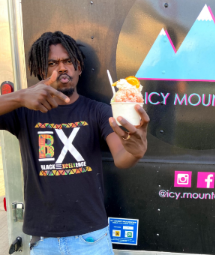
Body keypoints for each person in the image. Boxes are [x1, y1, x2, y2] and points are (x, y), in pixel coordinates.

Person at [0, 31, 149, 255]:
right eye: (52, 63)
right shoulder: (24, 111)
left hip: (91, 238)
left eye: (68, 61)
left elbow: (121, 157)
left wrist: (135, 152)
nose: (62, 68)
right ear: (42, 71)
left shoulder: (97, 111)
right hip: (43, 241)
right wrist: (20, 97)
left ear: (78, 68)